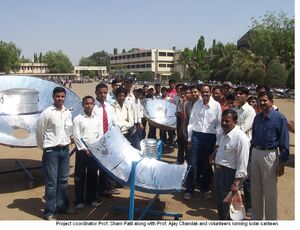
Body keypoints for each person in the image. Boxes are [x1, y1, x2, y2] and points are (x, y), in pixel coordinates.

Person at [251, 91, 290, 220]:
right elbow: (254, 137)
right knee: (255, 190)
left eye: (264, 100)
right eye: (260, 100)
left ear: (271, 102)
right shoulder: (257, 117)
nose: (261, 103)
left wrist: (282, 162)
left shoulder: (280, 118)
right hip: (256, 153)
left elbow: (284, 141)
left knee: (269, 191)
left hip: (270, 155)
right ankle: (256, 219)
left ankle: (270, 220)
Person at [36, 86, 73, 220]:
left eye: (62, 96)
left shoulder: (67, 112)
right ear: (53, 97)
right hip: (51, 151)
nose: (60, 99)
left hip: (65, 150)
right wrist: (44, 147)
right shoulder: (47, 112)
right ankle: (49, 211)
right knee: (51, 182)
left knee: (63, 180)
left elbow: (69, 129)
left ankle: (62, 207)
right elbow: (40, 131)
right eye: (58, 96)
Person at [184, 84, 222, 200]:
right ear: (201, 93)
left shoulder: (216, 106)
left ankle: (205, 189)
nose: (205, 94)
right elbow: (191, 122)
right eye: (203, 92)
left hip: (210, 137)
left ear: (210, 92)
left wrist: (217, 142)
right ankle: (189, 190)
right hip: (196, 136)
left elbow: (219, 125)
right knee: (192, 163)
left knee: (206, 165)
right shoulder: (197, 104)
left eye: (207, 92)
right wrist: (190, 139)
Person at [211, 109, 250, 220]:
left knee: (228, 205)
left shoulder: (241, 139)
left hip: (230, 175)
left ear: (235, 122)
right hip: (219, 172)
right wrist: (215, 154)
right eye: (222, 121)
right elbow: (223, 149)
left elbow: (242, 162)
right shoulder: (224, 133)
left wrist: (236, 182)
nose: (224, 123)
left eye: (227, 121)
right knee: (220, 202)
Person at [73, 96, 100, 209]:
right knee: (80, 175)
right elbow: (76, 137)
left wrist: (95, 148)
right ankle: (79, 200)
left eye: (91, 103)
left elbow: (100, 134)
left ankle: (91, 199)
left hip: (94, 151)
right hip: (82, 151)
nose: (89, 106)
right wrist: (85, 149)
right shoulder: (77, 119)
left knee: (93, 175)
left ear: (94, 105)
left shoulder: (97, 118)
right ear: (83, 105)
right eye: (86, 103)